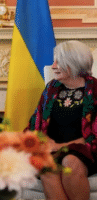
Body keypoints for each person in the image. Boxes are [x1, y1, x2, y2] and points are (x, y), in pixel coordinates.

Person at [27, 40, 97, 200]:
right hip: (53, 150)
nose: (53, 66)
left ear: (73, 63)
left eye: (58, 61)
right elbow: (36, 123)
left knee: (70, 162)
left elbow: (94, 136)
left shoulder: (95, 91)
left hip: (86, 149)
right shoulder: (51, 88)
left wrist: (59, 146)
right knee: (46, 167)